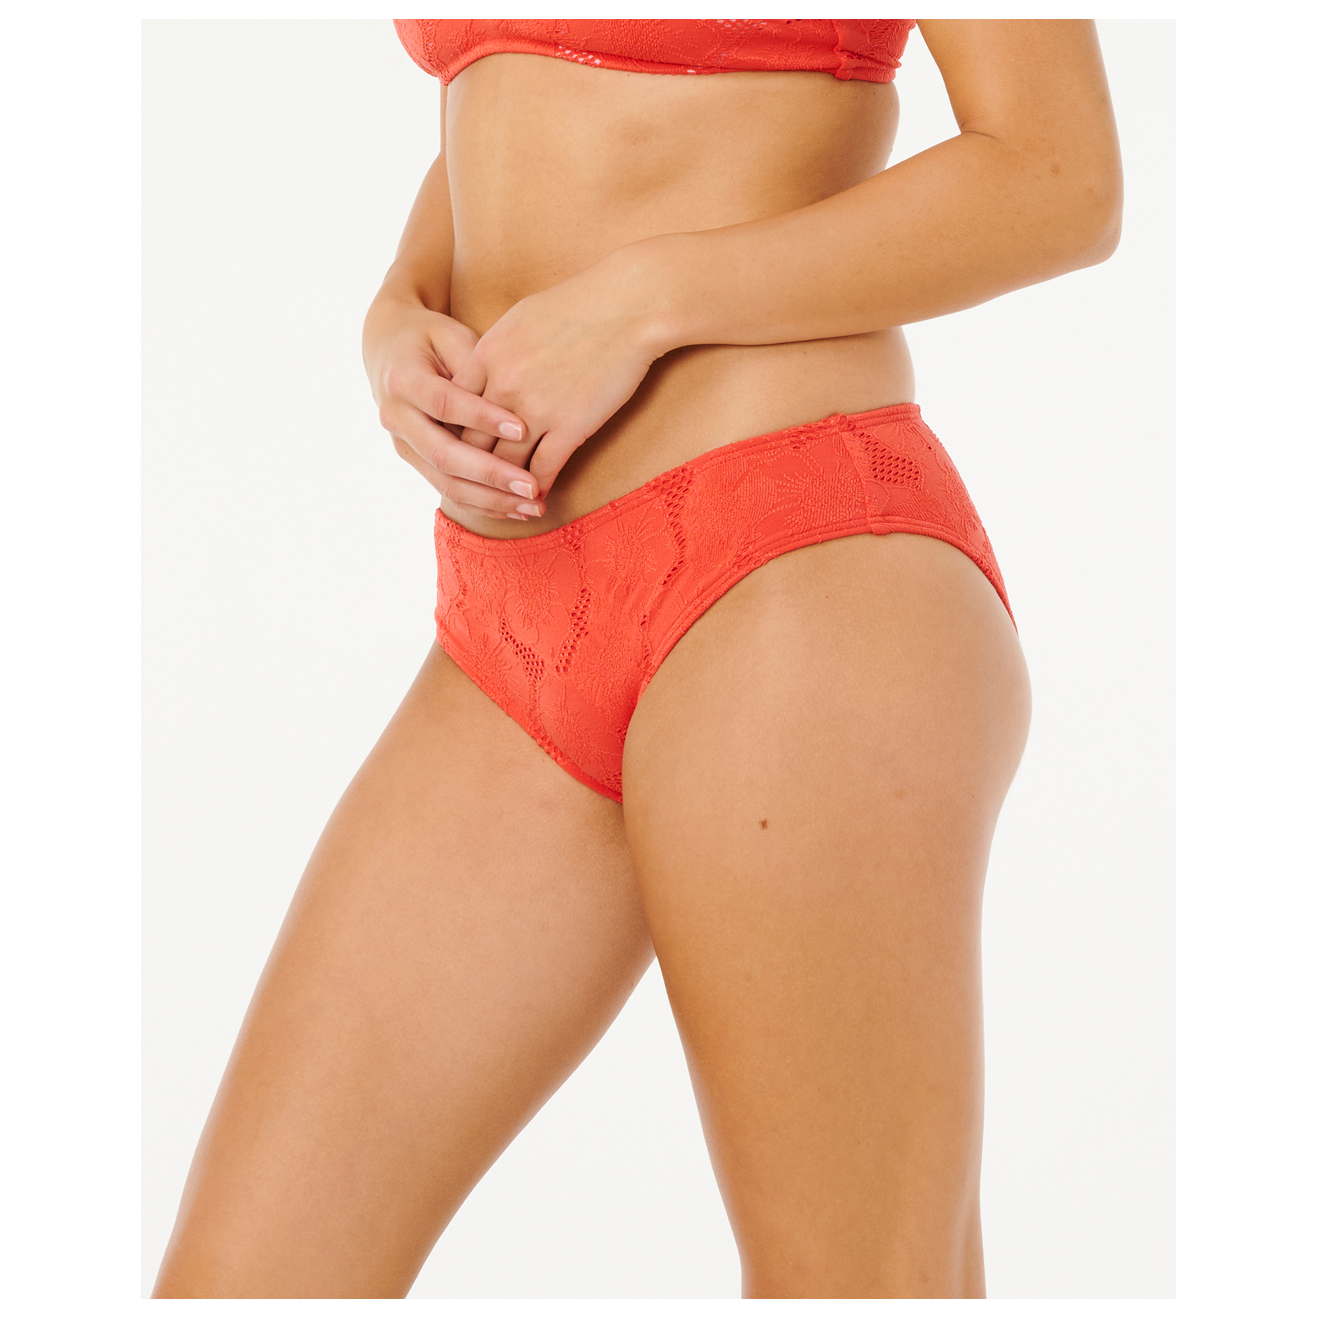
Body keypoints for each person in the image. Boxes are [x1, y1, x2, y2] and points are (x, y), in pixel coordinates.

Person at [152, 18, 1122, 1299]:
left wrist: (646, 300)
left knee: (852, 1284)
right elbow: (527, 93)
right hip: (511, 618)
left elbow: (1057, 176)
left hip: (785, 564)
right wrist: (399, 308)